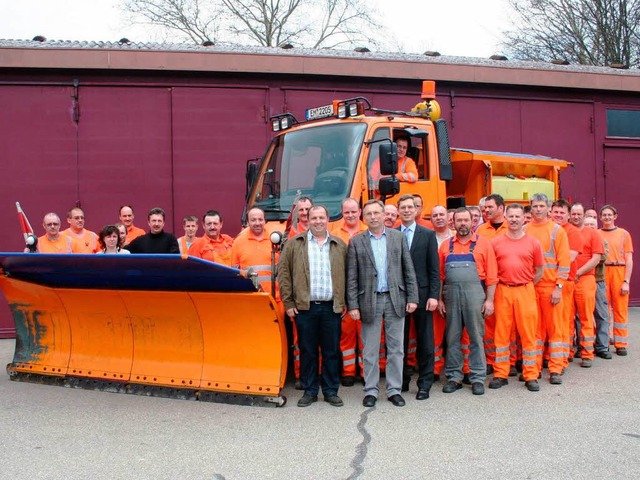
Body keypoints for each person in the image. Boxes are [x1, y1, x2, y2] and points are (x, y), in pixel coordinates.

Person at [347, 199, 418, 408]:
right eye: (368, 214)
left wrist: (413, 298)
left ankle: (394, 389)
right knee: (369, 349)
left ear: (384, 215)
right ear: (364, 217)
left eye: (377, 213)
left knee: (396, 348)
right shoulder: (357, 242)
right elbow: (352, 277)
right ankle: (370, 390)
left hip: (395, 298)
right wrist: (352, 305)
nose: (373, 217)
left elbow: (408, 269)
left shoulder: (397, 238)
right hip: (369, 300)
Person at [278, 205, 348, 407]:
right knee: (307, 350)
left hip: (330, 307)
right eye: (314, 218)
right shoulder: (294, 244)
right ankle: (310, 390)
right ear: (307, 220)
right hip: (304, 308)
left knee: (331, 351)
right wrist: (289, 302)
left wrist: (344, 302)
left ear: (328, 219)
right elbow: (283, 274)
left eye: (321, 217)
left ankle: (330, 390)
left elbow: (348, 274)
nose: (318, 221)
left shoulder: (339, 245)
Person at [438, 207, 497, 395]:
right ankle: (454, 377)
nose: (462, 224)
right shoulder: (445, 246)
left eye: (466, 220)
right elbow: (440, 276)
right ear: (453, 223)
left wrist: (489, 301)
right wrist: (440, 299)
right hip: (451, 295)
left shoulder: (484, 244)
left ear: (473, 222)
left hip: (475, 294)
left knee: (476, 337)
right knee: (452, 337)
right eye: (459, 220)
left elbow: (492, 276)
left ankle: (477, 377)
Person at [489, 204, 544, 392]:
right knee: (501, 334)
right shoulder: (496, 242)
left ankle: (531, 375)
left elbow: (539, 270)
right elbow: (491, 269)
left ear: (523, 219)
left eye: (517, 216)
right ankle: (501, 374)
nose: (513, 219)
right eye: (510, 216)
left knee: (529, 333)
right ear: (505, 217)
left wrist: (525, 283)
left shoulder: (533, 242)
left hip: (525, 290)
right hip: (503, 290)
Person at [397, 195, 440, 400]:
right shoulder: (392, 234)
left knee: (425, 341)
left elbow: (434, 269)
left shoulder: (428, 235)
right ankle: (402, 381)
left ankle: (424, 384)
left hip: (423, 295)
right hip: (398, 295)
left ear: (416, 210)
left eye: (410, 207)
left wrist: (434, 295)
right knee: (399, 342)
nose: (406, 210)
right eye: (403, 207)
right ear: (398, 211)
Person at [525, 193, 570, 385]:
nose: (538, 209)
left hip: (551, 288)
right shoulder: (525, 229)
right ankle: (533, 370)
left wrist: (559, 286)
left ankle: (555, 368)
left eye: (541, 206)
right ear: (531, 207)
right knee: (534, 331)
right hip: (531, 289)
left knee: (555, 330)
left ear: (548, 208)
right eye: (535, 206)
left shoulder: (557, 231)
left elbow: (564, 262)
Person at [330, 198, 367, 386]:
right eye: (347, 212)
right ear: (342, 213)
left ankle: (365, 371)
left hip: (365, 292)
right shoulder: (334, 235)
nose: (351, 215)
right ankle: (349, 372)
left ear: (359, 212)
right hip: (344, 292)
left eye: (354, 212)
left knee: (365, 335)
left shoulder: (368, 232)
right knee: (346, 336)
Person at [475, 194, 508, 373]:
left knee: (505, 324)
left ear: (501, 208)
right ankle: (489, 360)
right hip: (486, 284)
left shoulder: (512, 228)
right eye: (485, 208)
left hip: (505, 283)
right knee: (487, 323)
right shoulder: (480, 230)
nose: (486, 210)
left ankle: (509, 360)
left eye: (490, 207)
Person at [569, 202, 605, 366]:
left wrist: (578, 272)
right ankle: (567, 352)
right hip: (567, 280)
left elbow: (596, 258)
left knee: (585, 317)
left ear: (585, 215)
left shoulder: (593, 234)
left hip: (585, 279)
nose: (576, 217)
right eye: (573, 214)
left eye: (579, 214)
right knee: (567, 318)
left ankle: (587, 353)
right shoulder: (565, 231)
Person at [551, 199, 584, 368]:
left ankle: (563, 357)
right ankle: (549, 357)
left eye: (562, 212)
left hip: (565, 281)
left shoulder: (573, 232)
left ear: (569, 215)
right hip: (546, 282)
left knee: (563, 321)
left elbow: (569, 258)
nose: (558, 215)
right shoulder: (549, 229)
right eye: (555, 212)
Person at [599, 204, 633, 356]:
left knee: (620, 308)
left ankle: (621, 343)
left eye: (609, 215)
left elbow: (629, 259)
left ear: (615, 216)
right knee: (603, 310)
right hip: (603, 271)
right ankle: (605, 341)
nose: (607, 217)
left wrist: (626, 281)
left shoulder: (624, 234)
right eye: (604, 215)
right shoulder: (597, 233)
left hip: (619, 270)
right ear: (600, 217)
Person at [583, 215, 612, 359]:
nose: (589, 227)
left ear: (596, 225)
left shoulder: (601, 240)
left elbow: (603, 256)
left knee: (601, 313)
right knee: (581, 315)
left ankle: (602, 346)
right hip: (582, 279)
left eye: (592, 224)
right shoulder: (579, 238)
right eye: (586, 224)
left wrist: (587, 256)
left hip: (597, 280)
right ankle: (582, 345)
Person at [430, 205, 453, 378]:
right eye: (435, 215)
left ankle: (460, 368)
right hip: (437, 291)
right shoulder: (428, 237)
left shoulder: (457, 237)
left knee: (458, 333)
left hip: (455, 290)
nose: (438, 218)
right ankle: (436, 368)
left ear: (448, 217)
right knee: (436, 334)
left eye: (441, 214)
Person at [231, 207, 274, 293]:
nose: (257, 223)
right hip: (250, 296)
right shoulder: (238, 242)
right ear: (247, 223)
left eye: (260, 219)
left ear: (265, 221)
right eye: (253, 220)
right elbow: (234, 272)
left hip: (274, 297)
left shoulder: (274, 240)